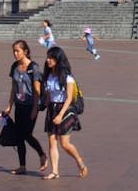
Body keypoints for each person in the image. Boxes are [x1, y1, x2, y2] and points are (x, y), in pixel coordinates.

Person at [1, 40, 47, 175]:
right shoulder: (14, 66)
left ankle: (42, 154)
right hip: (19, 106)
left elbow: (37, 90)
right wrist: (9, 105)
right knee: (19, 137)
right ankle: (22, 166)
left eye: (18, 51)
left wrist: (35, 108)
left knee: (27, 134)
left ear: (25, 51)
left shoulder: (34, 67)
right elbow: (13, 88)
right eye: (14, 51)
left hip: (30, 106)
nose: (15, 54)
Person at [42, 47, 87, 180]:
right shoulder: (49, 75)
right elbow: (49, 94)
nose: (48, 60)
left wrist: (60, 114)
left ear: (58, 60)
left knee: (64, 143)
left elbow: (69, 98)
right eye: (48, 57)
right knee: (51, 142)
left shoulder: (68, 77)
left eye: (51, 58)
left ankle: (79, 161)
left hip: (65, 110)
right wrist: (46, 105)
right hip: (52, 109)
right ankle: (55, 171)